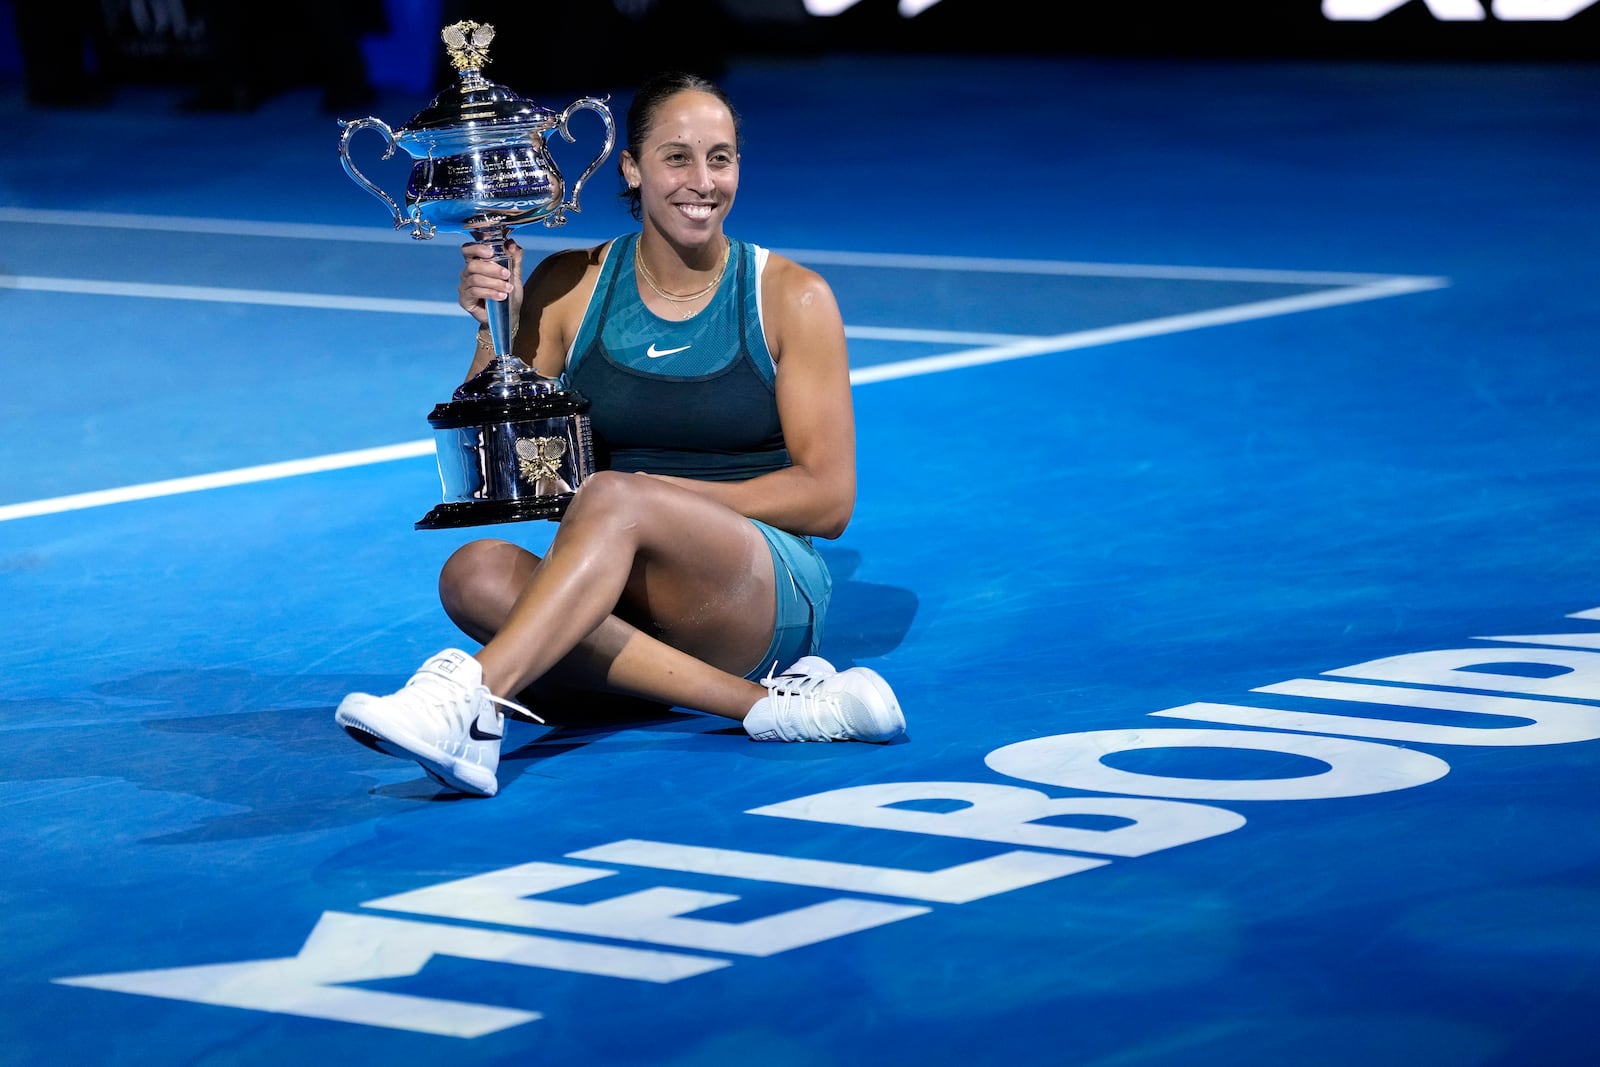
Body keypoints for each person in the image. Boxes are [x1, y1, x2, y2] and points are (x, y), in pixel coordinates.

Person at [335, 71, 906, 797]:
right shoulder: (571, 285)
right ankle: (767, 707)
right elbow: (509, 465)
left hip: (757, 593)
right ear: (631, 168)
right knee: (473, 571)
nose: (703, 181)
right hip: (621, 587)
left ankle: (476, 700)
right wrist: (489, 326)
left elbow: (826, 500)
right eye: (677, 157)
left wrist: (644, 498)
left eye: (721, 158)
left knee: (612, 498)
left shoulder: (792, 297)